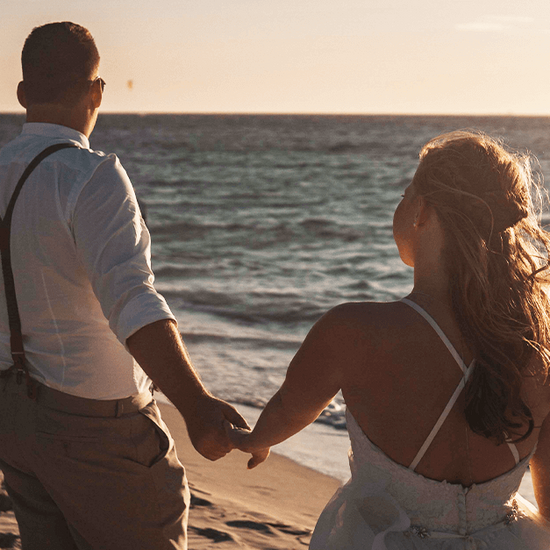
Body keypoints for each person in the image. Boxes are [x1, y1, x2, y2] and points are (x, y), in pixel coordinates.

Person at [227, 131, 550, 549]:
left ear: (422, 211)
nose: (401, 203)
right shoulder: (535, 346)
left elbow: (290, 408)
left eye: (405, 193)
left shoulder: (353, 331)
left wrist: (257, 440)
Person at [0, 21, 248, 550]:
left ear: (21, 93)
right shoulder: (91, 175)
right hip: (95, 426)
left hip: (14, 415)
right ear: (97, 92)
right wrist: (196, 404)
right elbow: (133, 300)